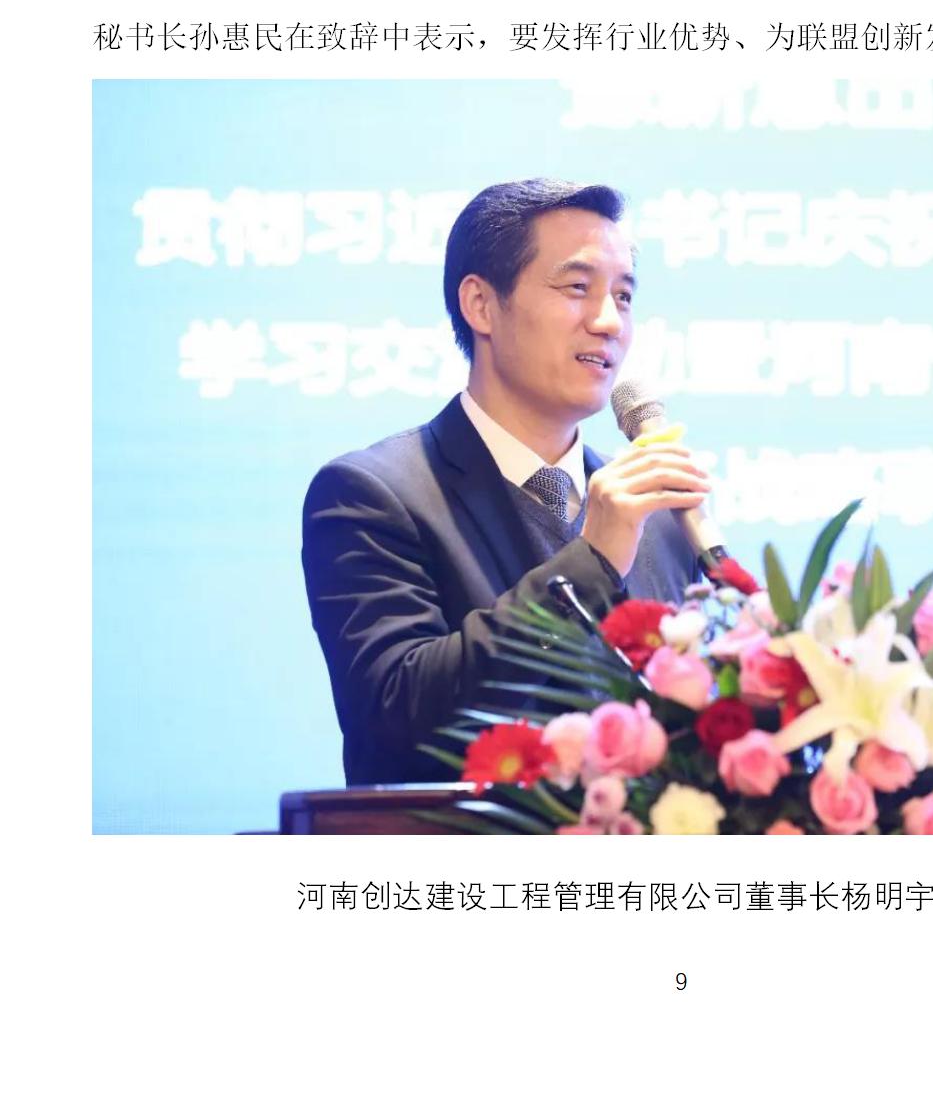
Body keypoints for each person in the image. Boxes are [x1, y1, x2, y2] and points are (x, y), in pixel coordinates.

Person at [301, 179, 709, 784]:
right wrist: (592, 562)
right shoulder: (371, 495)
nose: (608, 322)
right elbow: (396, 716)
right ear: (481, 305)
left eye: (623, 297)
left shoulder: (660, 521)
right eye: (577, 288)